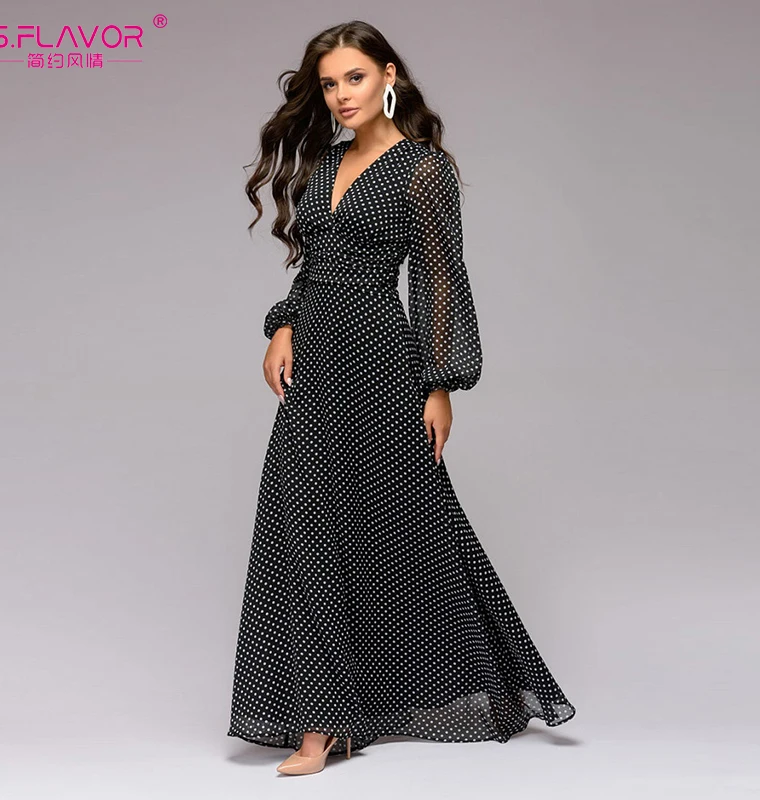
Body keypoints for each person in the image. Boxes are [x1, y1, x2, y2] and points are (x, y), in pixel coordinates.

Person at [227, 20, 576, 776]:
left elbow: (441, 277)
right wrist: (283, 324)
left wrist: (440, 384)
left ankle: (348, 718)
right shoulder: (325, 162)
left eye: (353, 78)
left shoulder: (423, 168)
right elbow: (315, 263)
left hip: (381, 362)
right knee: (303, 526)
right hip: (315, 361)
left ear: (388, 75)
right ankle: (326, 716)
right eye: (329, 84)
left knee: (401, 528)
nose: (340, 95)